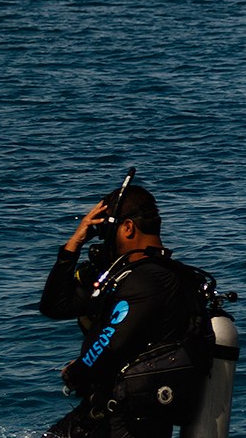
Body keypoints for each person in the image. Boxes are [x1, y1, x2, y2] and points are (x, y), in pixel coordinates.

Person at [40, 184, 210, 438]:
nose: (105, 240)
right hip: (106, 411)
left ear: (128, 227)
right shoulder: (124, 276)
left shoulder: (150, 279)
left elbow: (110, 343)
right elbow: (54, 306)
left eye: (108, 231)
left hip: (128, 422)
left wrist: (76, 373)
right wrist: (73, 244)